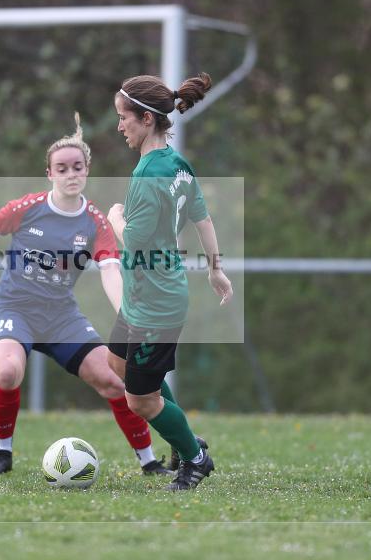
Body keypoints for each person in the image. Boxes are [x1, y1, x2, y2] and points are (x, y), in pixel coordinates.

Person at [0, 113, 171, 477]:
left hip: (61, 317)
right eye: (62, 169)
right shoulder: (26, 209)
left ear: (86, 171)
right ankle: (2, 454)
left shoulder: (95, 223)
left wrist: (126, 313)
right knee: (6, 373)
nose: (70, 174)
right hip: (14, 309)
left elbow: (111, 271)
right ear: (49, 174)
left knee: (115, 380)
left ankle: (148, 461)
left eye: (77, 167)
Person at [106, 73, 234, 491]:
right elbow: (202, 217)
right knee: (117, 364)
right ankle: (182, 437)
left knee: (139, 399)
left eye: (124, 118)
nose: (120, 126)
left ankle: (196, 460)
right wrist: (215, 268)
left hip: (157, 304)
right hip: (144, 296)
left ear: (146, 118)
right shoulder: (177, 163)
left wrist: (115, 220)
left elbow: (137, 240)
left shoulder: (148, 174)